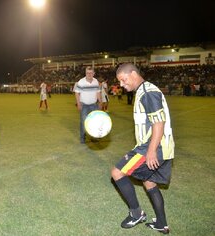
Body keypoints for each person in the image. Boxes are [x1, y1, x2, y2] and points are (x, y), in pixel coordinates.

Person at [111, 63, 174, 234]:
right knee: (149, 182)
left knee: (117, 173)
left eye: (123, 80)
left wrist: (151, 150)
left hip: (152, 147)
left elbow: (158, 123)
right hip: (161, 147)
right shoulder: (144, 90)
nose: (122, 85)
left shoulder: (147, 92)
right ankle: (161, 223)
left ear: (132, 74)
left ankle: (136, 213)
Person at [74, 66, 102, 143]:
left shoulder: (96, 81)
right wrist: (78, 103)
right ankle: (82, 138)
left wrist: (100, 102)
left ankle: (94, 137)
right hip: (84, 105)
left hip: (94, 105)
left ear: (94, 73)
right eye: (87, 73)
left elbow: (98, 92)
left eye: (90, 73)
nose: (89, 74)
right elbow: (76, 93)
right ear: (85, 73)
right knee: (83, 122)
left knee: (94, 122)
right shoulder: (81, 82)